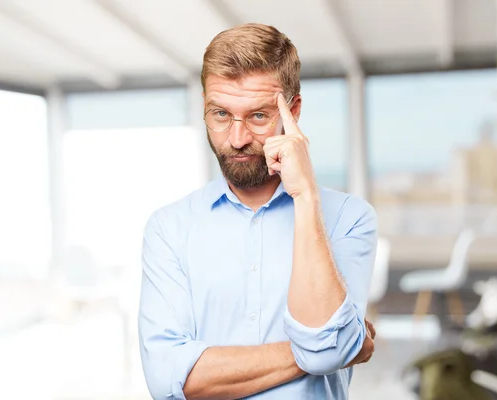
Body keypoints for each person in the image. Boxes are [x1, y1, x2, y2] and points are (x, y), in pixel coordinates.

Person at [138, 23, 378, 400]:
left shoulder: (351, 218)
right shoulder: (169, 228)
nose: (236, 139)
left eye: (258, 116)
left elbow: (328, 344)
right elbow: (169, 378)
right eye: (220, 114)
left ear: (292, 111)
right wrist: (331, 349)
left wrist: (305, 195)